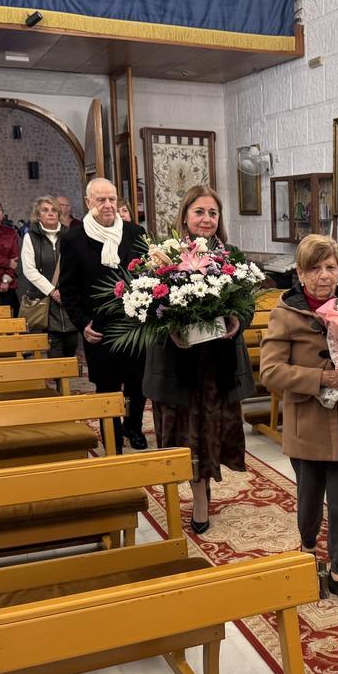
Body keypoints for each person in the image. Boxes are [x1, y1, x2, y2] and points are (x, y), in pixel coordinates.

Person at [260, 234, 338, 610]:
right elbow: (271, 371)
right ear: (301, 273)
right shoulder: (286, 313)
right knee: (309, 498)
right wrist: (321, 377)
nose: (325, 276)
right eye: (316, 268)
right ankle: (308, 550)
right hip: (307, 420)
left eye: (331, 267)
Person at [144, 185, 254, 535]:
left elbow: (247, 304)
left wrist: (237, 321)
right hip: (180, 364)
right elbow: (150, 308)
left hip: (217, 364)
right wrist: (171, 329)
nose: (207, 219)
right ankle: (199, 495)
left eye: (213, 213)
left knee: (212, 432)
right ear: (185, 216)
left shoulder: (231, 256)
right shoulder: (165, 255)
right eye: (200, 212)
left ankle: (204, 490)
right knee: (187, 433)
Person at [58, 178, 148, 453]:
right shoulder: (73, 238)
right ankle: (113, 435)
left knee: (137, 383)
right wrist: (82, 323)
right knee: (107, 386)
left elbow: (147, 274)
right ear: (88, 203)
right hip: (98, 327)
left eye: (112, 199)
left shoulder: (134, 232)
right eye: (101, 200)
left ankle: (133, 427)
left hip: (134, 324)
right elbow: (68, 288)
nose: (108, 205)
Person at [19, 195, 78, 357]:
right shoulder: (30, 237)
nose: (50, 213)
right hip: (45, 299)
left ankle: (67, 371)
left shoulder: (69, 235)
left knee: (72, 341)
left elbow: (77, 265)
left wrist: (65, 290)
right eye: (45, 210)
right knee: (54, 344)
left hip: (68, 298)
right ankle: (58, 373)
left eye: (54, 210)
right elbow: (29, 270)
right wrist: (52, 291)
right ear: (38, 215)